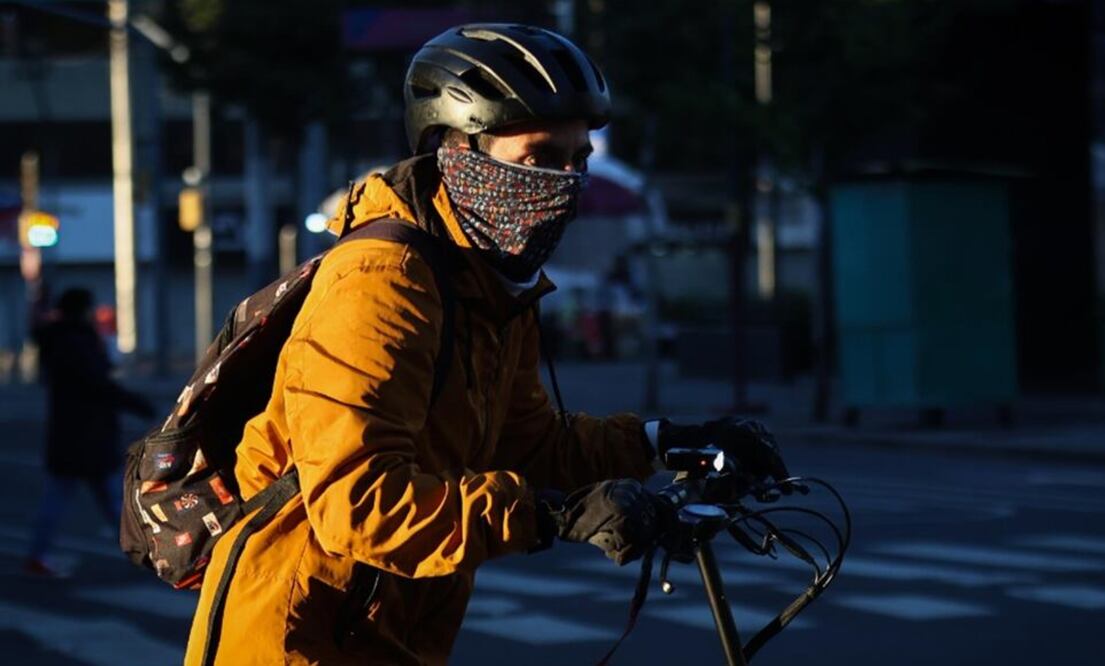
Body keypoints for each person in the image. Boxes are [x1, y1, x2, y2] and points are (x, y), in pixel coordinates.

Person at [184, 23, 789, 665]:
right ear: (457, 152)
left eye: (577, 159)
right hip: (293, 641)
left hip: (389, 632)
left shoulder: (489, 282)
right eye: (538, 158)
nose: (565, 182)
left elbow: (526, 442)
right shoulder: (381, 284)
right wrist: (551, 517)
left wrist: (664, 440)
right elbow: (357, 505)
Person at [25, 287, 153, 576]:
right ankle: (144, 552)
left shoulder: (58, 339)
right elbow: (98, 383)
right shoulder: (77, 342)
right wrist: (138, 404)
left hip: (69, 434)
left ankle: (38, 553)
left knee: (65, 498)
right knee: (110, 500)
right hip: (89, 434)